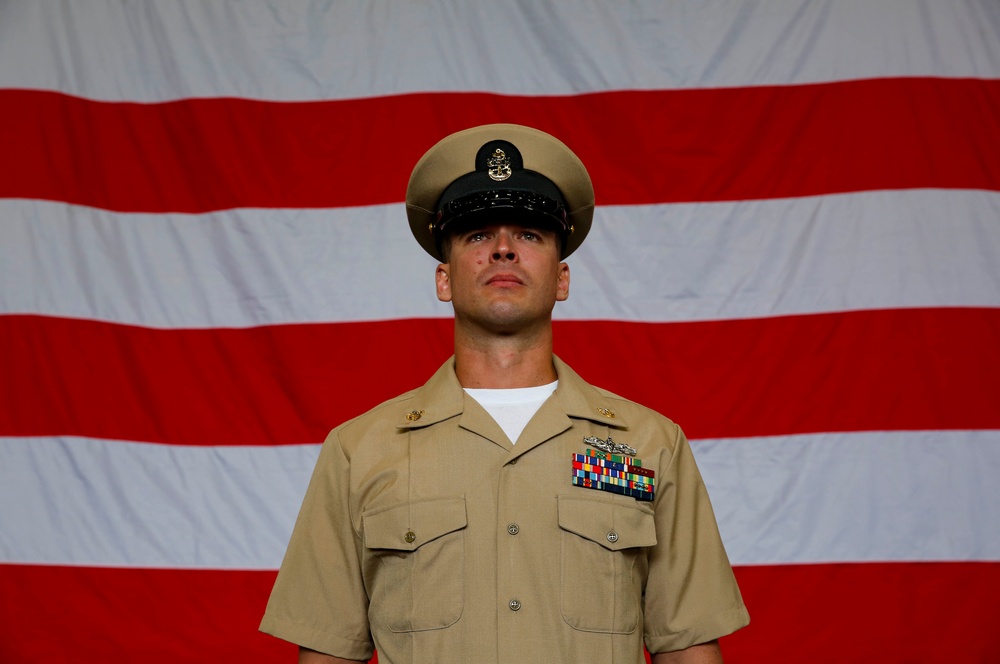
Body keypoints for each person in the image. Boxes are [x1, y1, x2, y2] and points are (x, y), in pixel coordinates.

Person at [260, 123, 750, 664]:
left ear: (562, 279)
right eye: (476, 236)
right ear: (444, 278)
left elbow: (689, 649)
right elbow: (329, 653)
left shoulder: (646, 447)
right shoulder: (361, 451)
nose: (502, 250)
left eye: (529, 235)